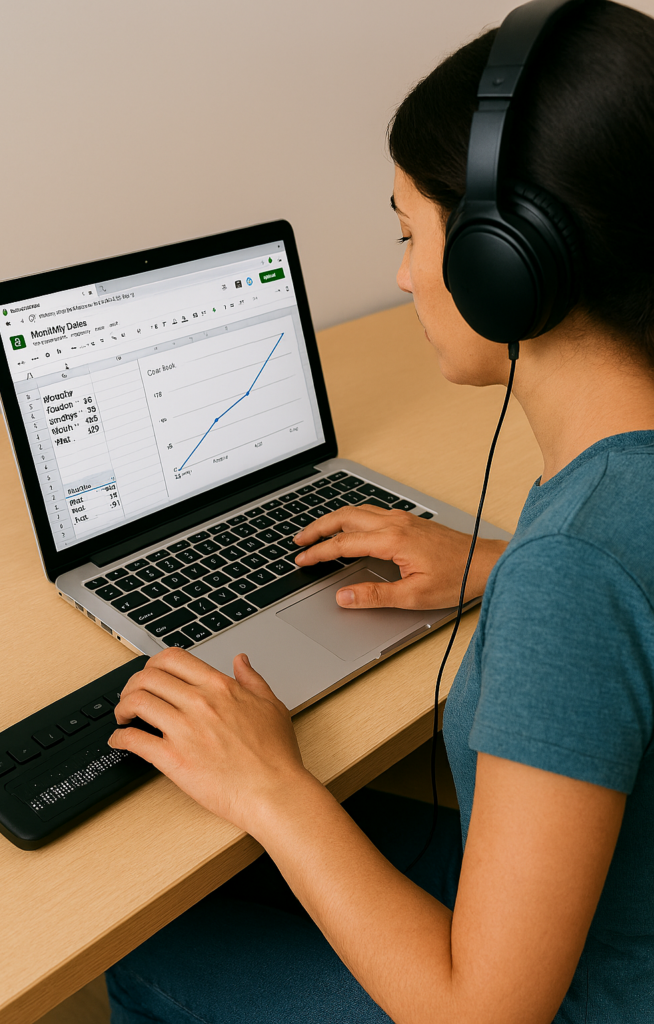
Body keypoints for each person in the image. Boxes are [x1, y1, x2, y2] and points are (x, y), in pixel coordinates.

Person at [105, 2, 654, 1021]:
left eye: (409, 233)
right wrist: (496, 562)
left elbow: (480, 1012)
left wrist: (271, 783)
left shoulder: (575, 568)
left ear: (506, 261)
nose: (401, 273)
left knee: (153, 946)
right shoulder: (603, 519)